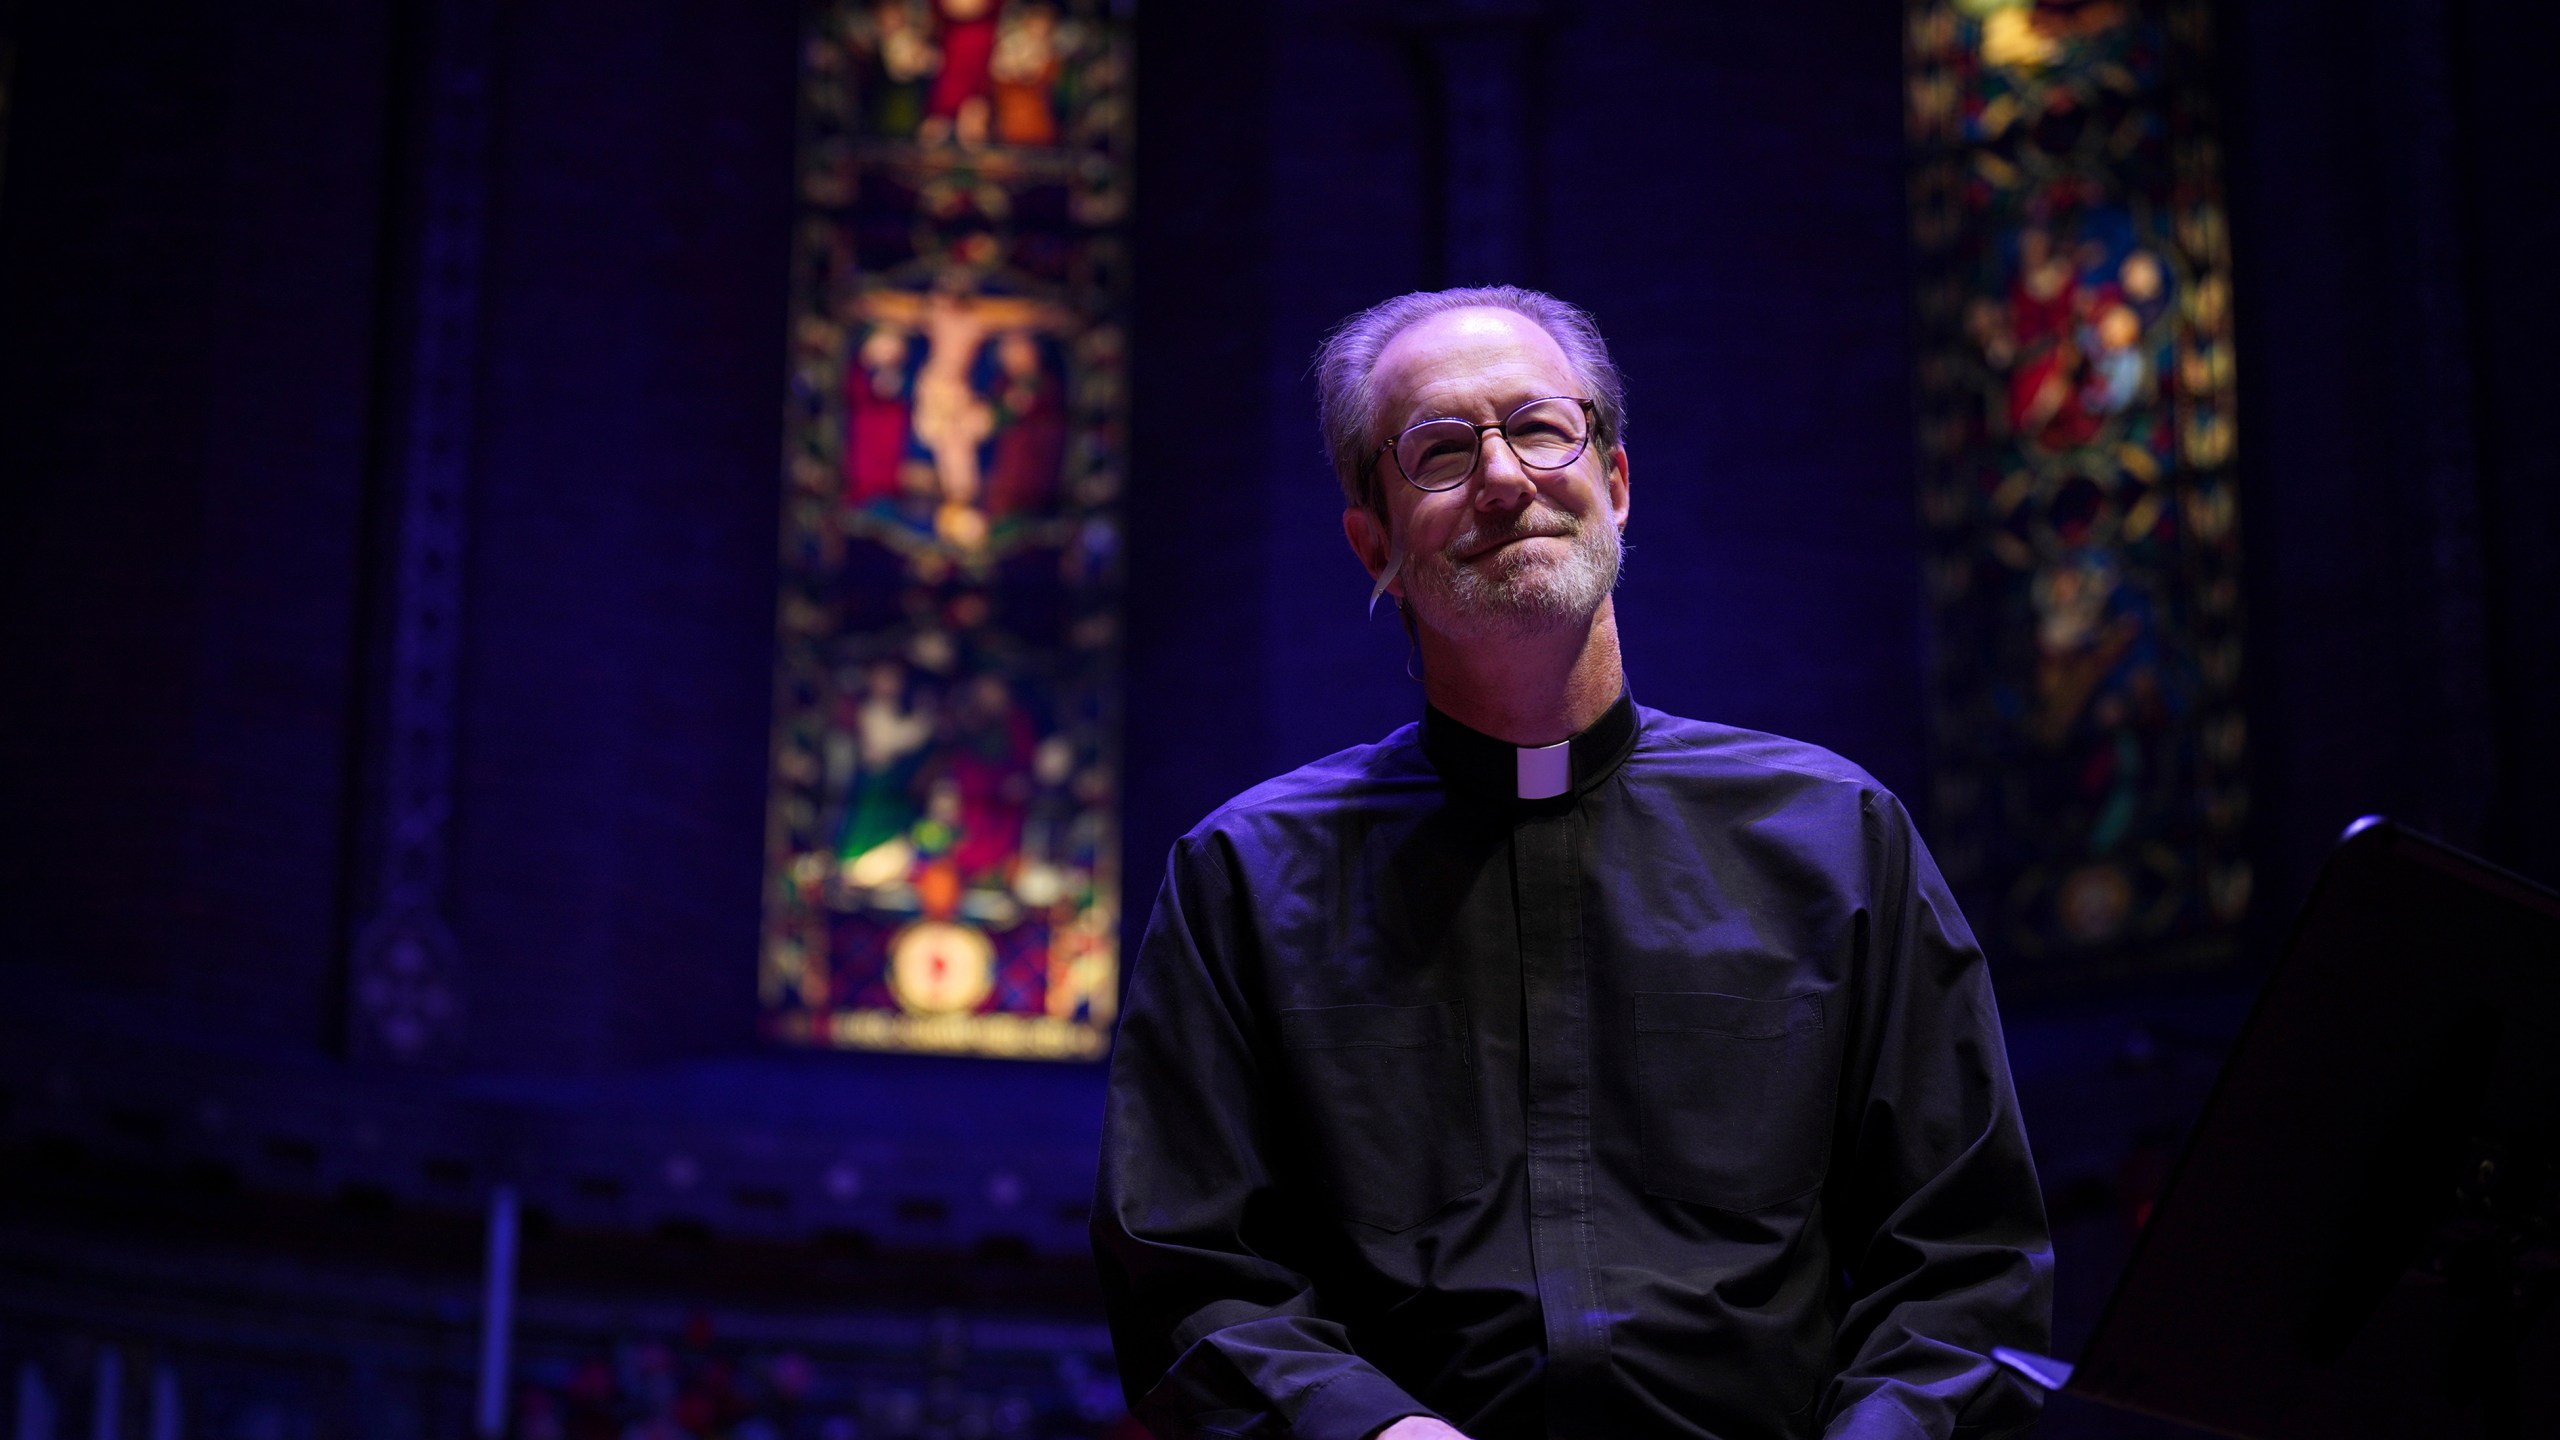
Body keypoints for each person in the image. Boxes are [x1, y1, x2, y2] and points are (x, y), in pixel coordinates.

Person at [1092, 287, 2051, 1440]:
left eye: (1541, 428)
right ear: (1374, 542)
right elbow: (1188, 1272)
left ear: (1616, 479)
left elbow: (1966, 1258)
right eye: (1441, 452)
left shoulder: (1836, 837)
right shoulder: (1244, 876)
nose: (1504, 478)